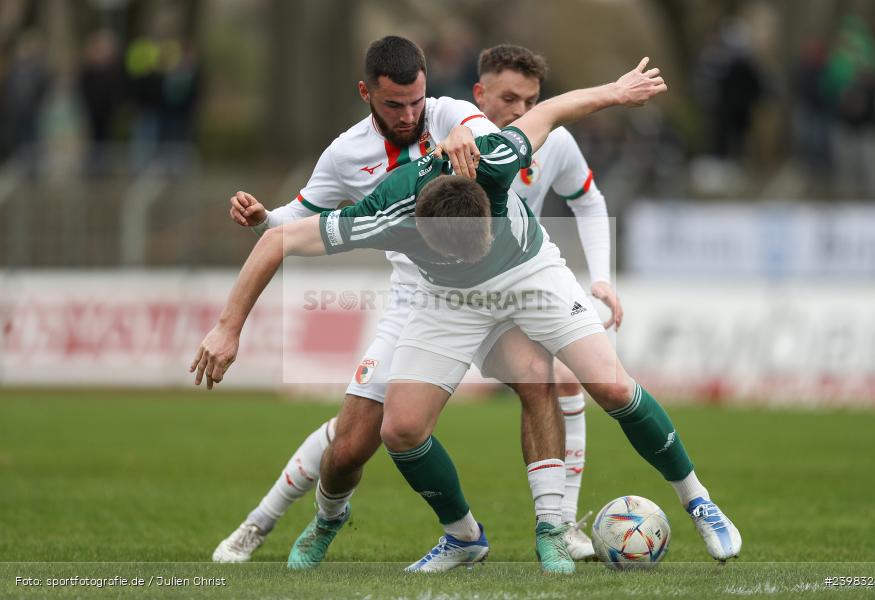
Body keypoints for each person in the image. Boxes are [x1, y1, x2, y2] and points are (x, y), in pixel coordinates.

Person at [193, 57, 743, 574]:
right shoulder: (387, 211)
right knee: (401, 429)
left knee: (612, 387)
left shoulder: (497, 158)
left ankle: (698, 503)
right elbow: (277, 243)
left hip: (529, 274)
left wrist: (616, 93)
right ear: (417, 231)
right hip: (445, 297)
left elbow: (550, 112)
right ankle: (463, 536)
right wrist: (227, 327)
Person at [210, 36, 577, 571]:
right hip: (418, 297)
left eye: (416, 101)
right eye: (393, 105)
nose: (409, 115)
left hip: (492, 285)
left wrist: (459, 131)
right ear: (366, 93)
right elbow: (300, 217)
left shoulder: (449, 109)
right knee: (352, 443)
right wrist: (263, 218)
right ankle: (323, 519)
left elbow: (483, 128)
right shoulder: (345, 153)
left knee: (540, 380)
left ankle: (553, 530)